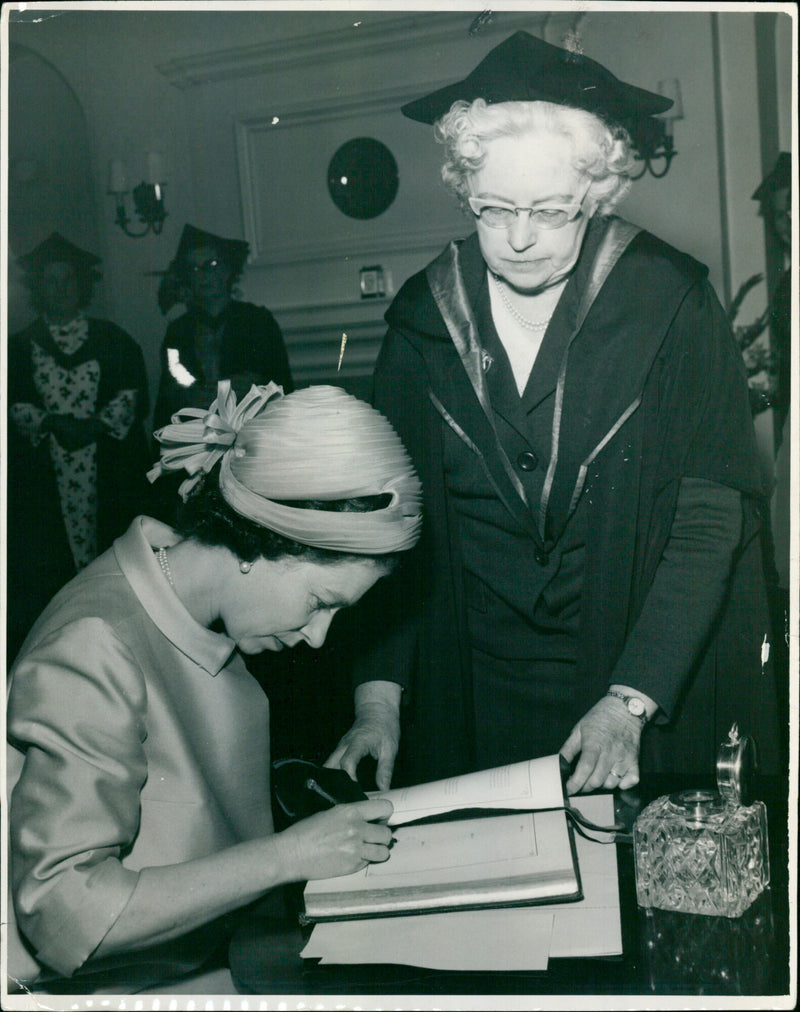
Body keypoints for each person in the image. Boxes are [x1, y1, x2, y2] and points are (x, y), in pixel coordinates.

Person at [326, 31, 779, 795]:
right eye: (494, 208)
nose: (522, 236)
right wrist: (378, 701)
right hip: (469, 687)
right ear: (464, 190)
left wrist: (630, 699)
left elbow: (710, 520)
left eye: (551, 209)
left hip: (634, 679)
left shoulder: (671, 305)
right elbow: (384, 525)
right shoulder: (423, 323)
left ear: (596, 194)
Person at [5, 380, 422, 994]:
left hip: (207, 958)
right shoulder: (94, 644)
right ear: (260, 544)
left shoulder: (194, 601)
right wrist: (288, 855)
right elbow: (66, 913)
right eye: (318, 602)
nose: (318, 638)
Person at [6, 232, 151, 664]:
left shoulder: (114, 340)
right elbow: (12, 404)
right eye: (50, 281)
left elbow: (131, 397)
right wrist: (51, 423)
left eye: (68, 279)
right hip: (45, 484)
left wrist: (92, 427)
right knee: (49, 575)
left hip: (105, 471)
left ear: (82, 284)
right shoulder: (15, 349)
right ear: (38, 288)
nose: (60, 289)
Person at [153, 224, 293, 431]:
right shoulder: (178, 330)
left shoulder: (257, 321)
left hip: (252, 429)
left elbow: (280, 381)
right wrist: (190, 391)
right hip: (197, 433)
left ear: (228, 270)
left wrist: (245, 387)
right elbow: (173, 375)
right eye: (194, 268)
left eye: (212, 264)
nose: (203, 274)